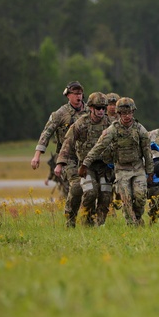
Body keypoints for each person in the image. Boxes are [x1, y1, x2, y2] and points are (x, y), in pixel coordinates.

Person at [81, 97, 153, 226]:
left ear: (133, 113)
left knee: (140, 196)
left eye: (129, 113)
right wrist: (85, 163)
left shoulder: (140, 130)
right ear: (118, 114)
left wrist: (150, 172)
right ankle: (131, 224)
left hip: (137, 168)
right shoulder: (112, 130)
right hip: (121, 169)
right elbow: (99, 147)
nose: (126, 116)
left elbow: (147, 152)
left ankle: (137, 217)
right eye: (123, 113)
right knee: (126, 198)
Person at [53, 92, 113, 227]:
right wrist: (60, 163)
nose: (101, 111)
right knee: (90, 192)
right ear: (91, 108)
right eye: (98, 108)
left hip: (105, 166)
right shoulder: (81, 123)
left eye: (104, 108)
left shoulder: (110, 123)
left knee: (105, 196)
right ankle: (84, 221)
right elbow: (67, 142)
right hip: (87, 166)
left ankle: (100, 224)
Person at [30, 80, 88, 198]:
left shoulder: (90, 111)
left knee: (92, 189)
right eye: (75, 93)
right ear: (68, 95)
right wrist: (37, 156)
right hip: (68, 157)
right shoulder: (60, 114)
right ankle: (70, 213)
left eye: (80, 93)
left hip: (86, 156)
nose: (78, 96)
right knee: (76, 187)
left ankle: (88, 214)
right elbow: (46, 133)